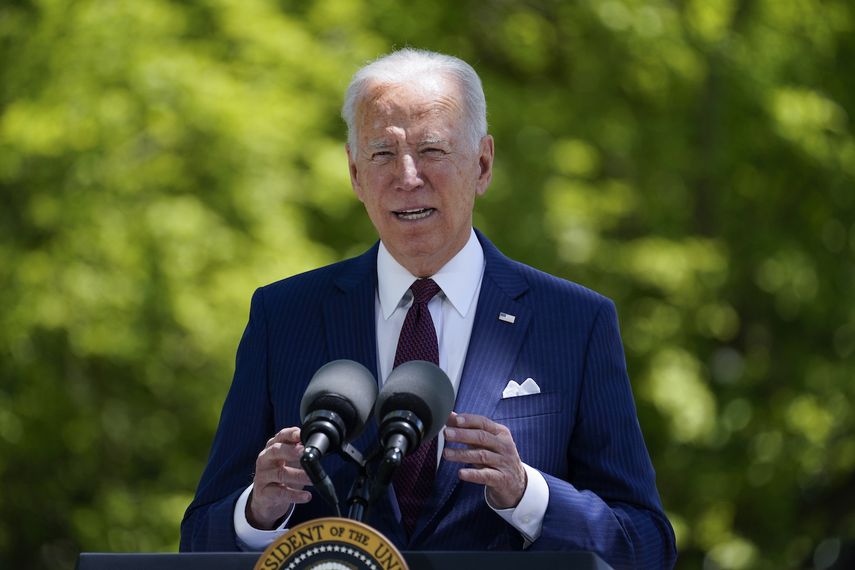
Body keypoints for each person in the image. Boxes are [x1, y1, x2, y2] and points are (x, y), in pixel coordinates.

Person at [180, 48, 677, 569]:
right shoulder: (283, 317)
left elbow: (646, 546)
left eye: (432, 150)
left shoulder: (575, 323)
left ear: (482, 164)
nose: (407, 176)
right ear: (354, 173)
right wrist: (257, 513)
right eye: (382, 154)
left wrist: (526, 494)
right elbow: (198, 540)